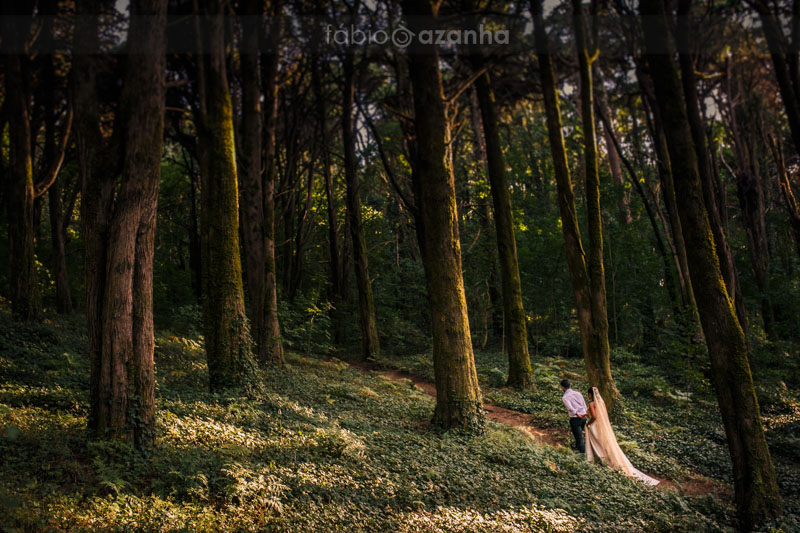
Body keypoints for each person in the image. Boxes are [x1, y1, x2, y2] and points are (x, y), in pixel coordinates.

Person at [586, 386, 659, 486]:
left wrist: (588, 423)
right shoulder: (601, 403)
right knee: (604, 443)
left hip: (594, 426)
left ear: (591, 394)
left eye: (588, 394)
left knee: (599, 444)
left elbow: (594, 416)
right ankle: (609, 460)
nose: (588, 396)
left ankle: (603, 460)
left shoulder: (591, 404)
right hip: (601, 426)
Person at [560, 379, 587, 453]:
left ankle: (582, 453)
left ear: (563, 387)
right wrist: (584, 413)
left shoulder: (565, 397)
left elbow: (570, 408)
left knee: (579, 437)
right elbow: (584, 404)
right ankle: (580, 449)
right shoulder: (578, 393)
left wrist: (578, 414)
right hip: (584, 417)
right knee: (581, 435)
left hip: (575, 418)